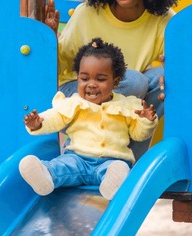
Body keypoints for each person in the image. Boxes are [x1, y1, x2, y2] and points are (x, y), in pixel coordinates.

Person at [19, 38, 158, 200]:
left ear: (116, 82)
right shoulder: (74, 103)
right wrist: (38, 123)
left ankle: (112, 184)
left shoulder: (127, 105)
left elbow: (138, 134)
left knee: (118, 168)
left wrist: (146, 121)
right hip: (78, 158)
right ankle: (45, 175)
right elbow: (56, 116)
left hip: (111, 161)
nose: (91, 84)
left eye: (100, 79)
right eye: (84, 79)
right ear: (77, 78)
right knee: (63, 166)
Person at [44, 0, 177, 160]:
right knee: (135, 81)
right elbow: (55, 69)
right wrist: (48, 41)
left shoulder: (164, 20)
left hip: (121, 99)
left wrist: (174, 70)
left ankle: (126, 160)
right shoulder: (87, 13)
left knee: (164, 78)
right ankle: (80, 150)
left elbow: (182, 66)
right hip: (74, 101)